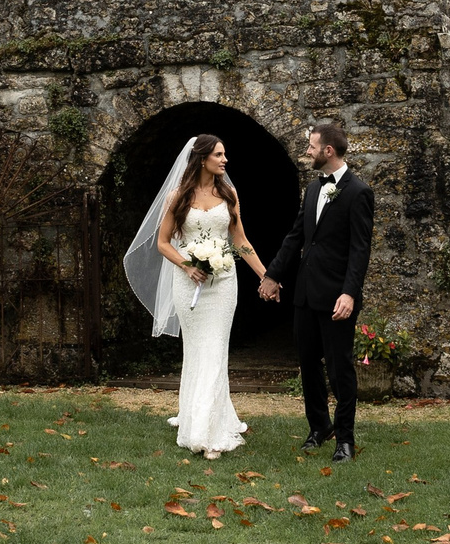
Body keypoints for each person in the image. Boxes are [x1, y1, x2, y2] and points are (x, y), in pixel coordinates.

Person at [121, 134, 269, 459]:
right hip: (188, 283)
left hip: (224, 283)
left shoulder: (228, 194)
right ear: (203, 159)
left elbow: (240, 240)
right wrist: (188, 266)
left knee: (215, 350)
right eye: (219, 154)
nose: (225, 160)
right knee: (198, 351)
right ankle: (197, 418)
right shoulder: (178, 196)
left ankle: (210, 432)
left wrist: (265, 275)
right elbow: (162, 243)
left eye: (225, 154)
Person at [258, 120, 373, 462]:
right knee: (308, 365)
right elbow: (296, 237)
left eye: (310, 146)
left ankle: (345, 440)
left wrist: (350, 293)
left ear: (328, 150)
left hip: (337, 297)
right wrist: (272, 275)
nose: (306, 151)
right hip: (305, 294)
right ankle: (319, 427)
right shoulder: (312, 189)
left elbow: (360, 250)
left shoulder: (358, 192)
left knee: (340, 369)